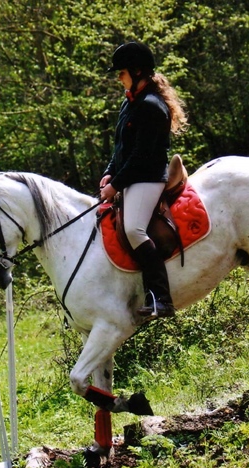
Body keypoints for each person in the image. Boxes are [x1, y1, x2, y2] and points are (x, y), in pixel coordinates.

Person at [100, 41, 188, 319]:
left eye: (121, 72)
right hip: (132, 176)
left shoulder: (151, 106)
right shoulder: (130, 103)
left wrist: (116, 184)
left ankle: (162, 298)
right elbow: (121, 149)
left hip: (148, 177)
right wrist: (109, 172)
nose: (118, 77)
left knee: (134, 230)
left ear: (137, 72)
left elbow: (140, 157)